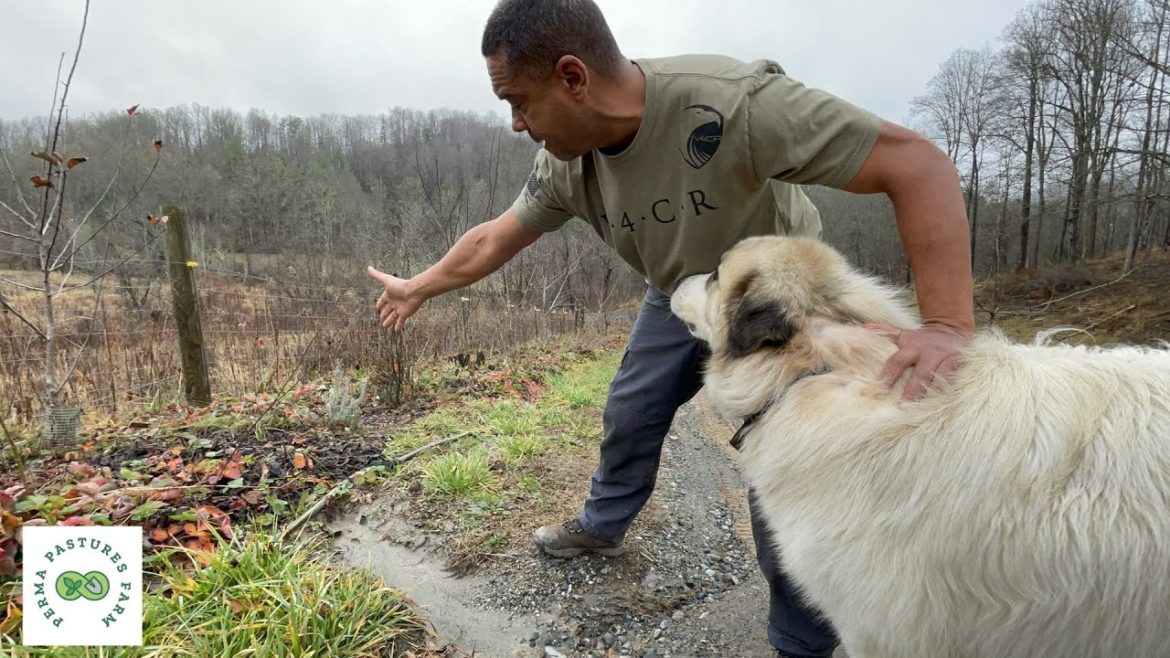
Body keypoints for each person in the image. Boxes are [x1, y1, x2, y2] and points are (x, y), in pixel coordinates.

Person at [368, 1, 974, 655]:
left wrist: (944, 324)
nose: (515, 124)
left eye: (519, 101)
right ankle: (601, 524)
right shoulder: (567, 162)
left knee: (797, 460)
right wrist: (418, 287)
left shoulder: (731, 105)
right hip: (678, 293)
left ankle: (801, 640)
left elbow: (914, 164)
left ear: (573, 77)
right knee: (631, 409)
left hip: (777, 300)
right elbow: (493, 239)